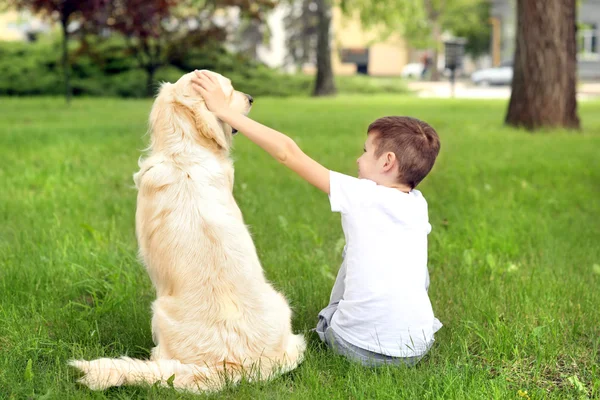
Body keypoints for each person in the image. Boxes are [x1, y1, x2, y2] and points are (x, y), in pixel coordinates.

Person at [191, 70, 442, 367]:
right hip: (416, 348)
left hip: (356, 348)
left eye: (365, 152)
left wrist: (224, 111)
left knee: (344, 284)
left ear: (387, 162)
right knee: (404, 262)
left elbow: (288, 153)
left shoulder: (362, 195)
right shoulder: (417, 204)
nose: (358, 160)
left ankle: (339, 326)